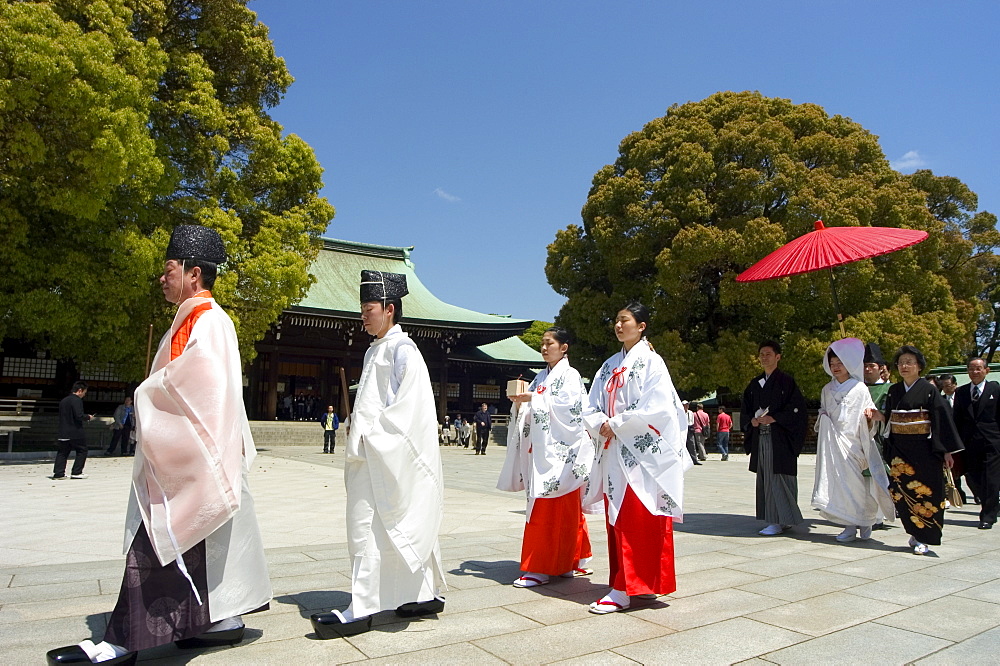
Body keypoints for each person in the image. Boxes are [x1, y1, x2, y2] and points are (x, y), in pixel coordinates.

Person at [47, 225, 271, 665]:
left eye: (169, 269)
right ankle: (220, 621)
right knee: (208, 544)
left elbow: (200, 389)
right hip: (194, 457)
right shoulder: (190, 320)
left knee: (161, 540)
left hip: (195, 462)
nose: (162, 277)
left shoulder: (209, 321)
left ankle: (123, 639)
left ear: (194, 273)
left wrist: (146, 394)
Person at [311, 270, 445, 639]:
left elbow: (413, 410)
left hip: (384, 454)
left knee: (367, 528)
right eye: (361, 309)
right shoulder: (377, 350)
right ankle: (419, 593)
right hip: (372, 454)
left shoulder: (404, 351)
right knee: (380, 529)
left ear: (389, 309)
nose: (363, 315)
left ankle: (363, 607)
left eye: (368, 308)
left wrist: (372, 435)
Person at [581, 303, 690, 614]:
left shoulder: (652, 363)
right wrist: (601, 422)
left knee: (639, 518)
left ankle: (629, 587)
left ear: (641, 326)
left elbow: (660, 408)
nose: (618, 326)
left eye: (624, 320)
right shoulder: (608, 366)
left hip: (642, 455)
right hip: (614, 450)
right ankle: (627, 584)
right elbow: (591, 404)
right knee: (619, 517)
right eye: (616, 320)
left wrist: (615, 424)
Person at [499, 327, 595, 589]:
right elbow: (540, 403)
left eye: (549, 343)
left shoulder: (571, 375)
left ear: (564, 348)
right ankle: (563, 562)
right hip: (542, 452)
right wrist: (521, 402)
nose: (544, 348)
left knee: (558, 509)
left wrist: (535, 399)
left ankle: (542, 566)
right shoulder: (540, 377)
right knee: (545, 507)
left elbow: (572, 411)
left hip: (563, 454)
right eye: (542, 343)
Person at [879, 345, 962, 554]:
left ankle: (924, 537)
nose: (904, 366)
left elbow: (941, 421)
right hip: (900, 453)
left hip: (924, 451)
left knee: (928, 495)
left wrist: (946, 451)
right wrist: (878, 417)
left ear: (919, 366)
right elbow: (890, 421)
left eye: (909, 362)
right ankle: (914, 534)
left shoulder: (929, 390)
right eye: (901, 362)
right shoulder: (894, 390)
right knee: (902, 494)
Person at [811, 338, 895, 543]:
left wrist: (869, 420)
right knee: (840, 485)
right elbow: (823, 411)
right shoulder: (826, 390)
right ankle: (848, 525)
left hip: (854, 443)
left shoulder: (860, 388)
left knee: (858, 486)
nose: (836, 367)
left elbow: (868, 418)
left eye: (840, 363)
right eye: (832, 364)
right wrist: (823, 418)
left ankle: (865, 521)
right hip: (833, 444)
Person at [741, 340, 808, 536]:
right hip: (762, 437)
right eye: (762, 354)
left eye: (768, 354)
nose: (764, 357)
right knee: (767, 477)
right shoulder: (755, 384)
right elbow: (746, 409)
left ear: (778, 357)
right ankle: (777, 519)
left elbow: (798, 411)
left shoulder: (787, 382)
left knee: (779, 478)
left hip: (780, 438)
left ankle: (779, 521)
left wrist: (775, 418)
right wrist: (751, 421)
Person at [952, 358, 999, 530]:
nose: (975, 372)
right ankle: (990, 503)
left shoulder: (995, 389)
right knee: (973, 477)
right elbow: (956, 419)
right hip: (969, 443)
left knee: (991, 479)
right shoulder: (962, 392)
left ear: (986, 370)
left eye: (978, 369)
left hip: (991, 443)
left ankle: (988, 515)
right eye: (971, 369)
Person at [51, 381, 93, 480]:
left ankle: (58, 473)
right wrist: (88, 417)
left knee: (62, 452)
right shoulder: (77, 400)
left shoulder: (64, 400)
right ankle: (77, 472)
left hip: (63, 430)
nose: (84, 395)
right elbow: (79, 415)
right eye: (84, 392)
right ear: (80, 390)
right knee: (82, 450)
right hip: (75, 431)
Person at [683, 401, 701, 465]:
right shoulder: (680, 412)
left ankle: (694, 459)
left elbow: (692, 420)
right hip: (683, 428)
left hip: (690, 427)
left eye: (687, 405)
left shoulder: (690, 412)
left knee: (692, 444)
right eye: (685, 405)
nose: (686, 406)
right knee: (683, 444)